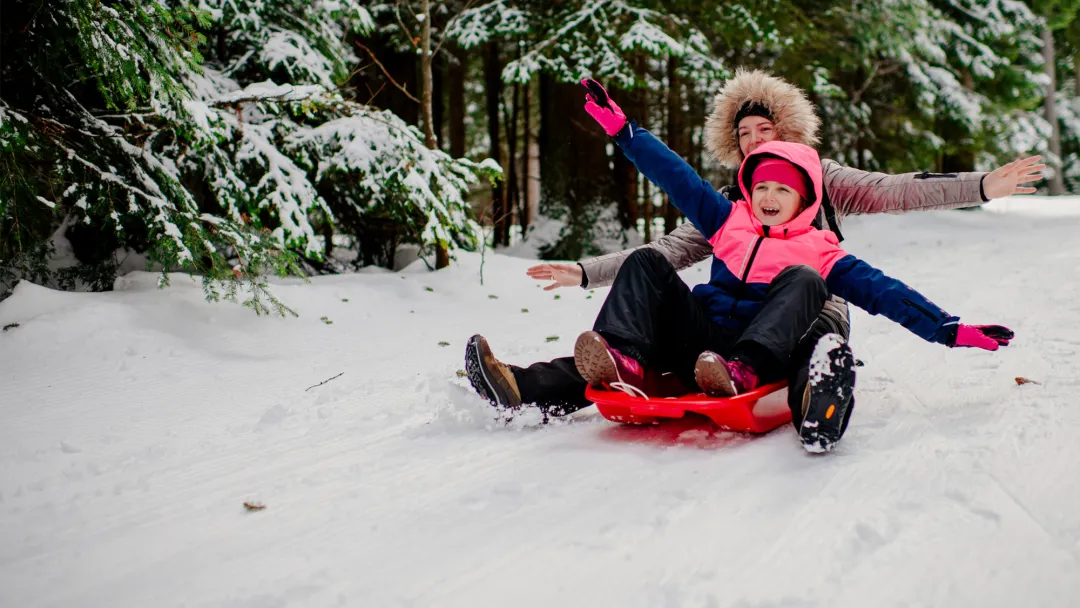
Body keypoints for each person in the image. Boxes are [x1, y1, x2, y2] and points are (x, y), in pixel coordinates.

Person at [464, 69, 1042, 431]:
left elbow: (897, 204)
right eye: (743, 139)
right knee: (650, 277)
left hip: (802, 311)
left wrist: (983, 190)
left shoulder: (826, 191)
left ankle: (820, 398)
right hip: (715, 334)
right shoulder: (728, 211)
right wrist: (623, 139)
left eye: (763, 131)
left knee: (813, 320)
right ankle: (537, 385)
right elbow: (669, 229)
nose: (754, 147)